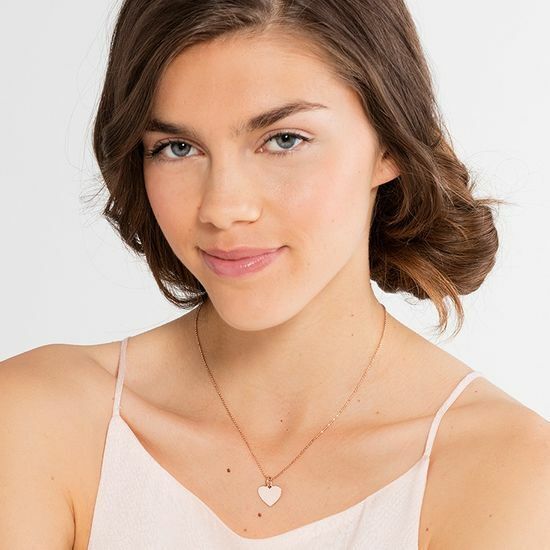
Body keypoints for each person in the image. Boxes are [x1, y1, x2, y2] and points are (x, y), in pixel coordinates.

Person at [1, 1, 549, 548]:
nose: (223, 208)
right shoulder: (37, 416)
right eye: (177, 148)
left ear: (389, 143)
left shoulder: (507, 468)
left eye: (284, 139)